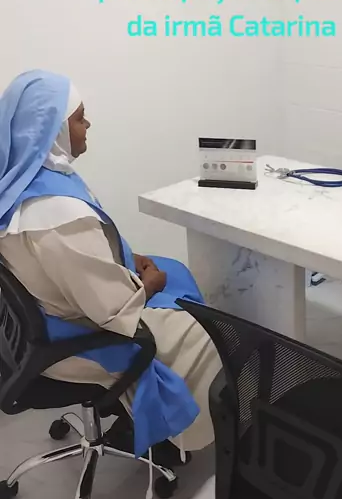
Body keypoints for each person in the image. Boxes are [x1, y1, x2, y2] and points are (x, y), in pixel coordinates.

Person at [0, 70, 222, 466]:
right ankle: (175, 433)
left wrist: (122, 255)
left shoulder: (20, 183)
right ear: (52, 130)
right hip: (79, 338)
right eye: (79, 118)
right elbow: (115, 311)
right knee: (205, 329)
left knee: (174, 269)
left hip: (37, 321)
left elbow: (73, 261)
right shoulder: (57, 215)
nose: (87, 125)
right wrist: (150, 284)